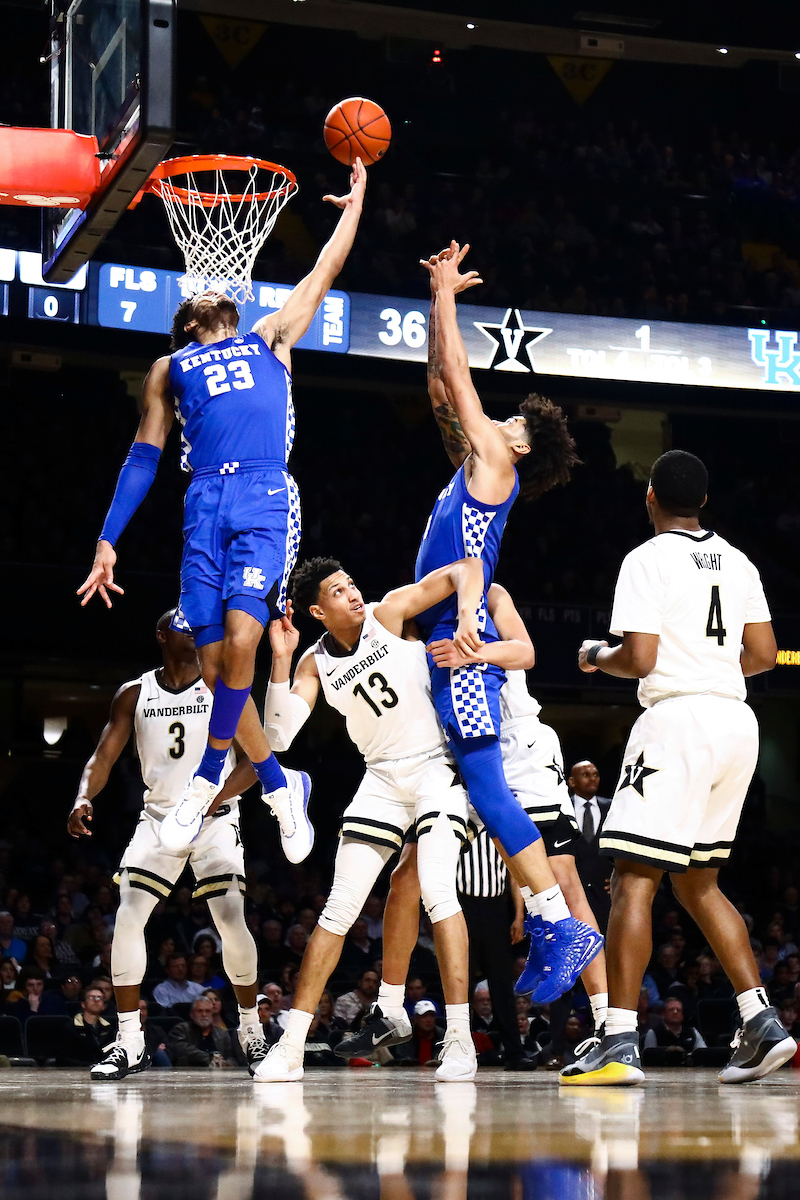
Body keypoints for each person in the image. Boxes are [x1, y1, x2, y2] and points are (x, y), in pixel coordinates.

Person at [78, 160, 369, 864]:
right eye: (198, 297)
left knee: (243, 634)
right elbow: (143, 456)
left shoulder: (269, 336)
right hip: (202, 498)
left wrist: (356, 205)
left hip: (264, 492)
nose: (210, 287)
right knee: (214, 669)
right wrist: (107, 540)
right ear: (188, 323)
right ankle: (279, 781)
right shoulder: (170, 368)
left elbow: (325, 270)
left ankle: (209, 777)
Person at [561, 449, 794, 1086]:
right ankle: (761, 1021)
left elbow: (638, 658)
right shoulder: (741, 561)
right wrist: (712, 671)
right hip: (736, 723)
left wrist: (592, 656)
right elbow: (767, 654)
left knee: (634, 881)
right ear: (705, 504)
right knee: (699, 883)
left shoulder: (647, 558)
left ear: (650, 499)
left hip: (679, 724)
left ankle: (618, 1039)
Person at [414, 243, 598, 998]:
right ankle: (555, 919)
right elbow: (437, 382)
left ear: (519, 440)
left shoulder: (497, 460)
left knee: (490, 791)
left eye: (510, 416)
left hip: (461, 642)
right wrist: (435, 300)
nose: (499, 415)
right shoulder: (477, 460)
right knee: (479, 790)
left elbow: (459, 380)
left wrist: (452, 295)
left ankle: (557, 919)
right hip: (443, 635)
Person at [251, 554, 487, 1083]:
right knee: (338, 910)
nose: (353, 593)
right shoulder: (314, 661)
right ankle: (290, 1046)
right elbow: (280, 737)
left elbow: (464, 569)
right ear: (317, 610)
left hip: (434, 768)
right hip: (380, 778)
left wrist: (467, 612)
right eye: (338, 591)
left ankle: (458, 1040)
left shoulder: (388, 613)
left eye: (352, 581)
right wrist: (282, 661)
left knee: (437, 892)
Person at [67, 609, 265, 1081]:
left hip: (214, 816)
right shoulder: (135, 694)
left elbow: (257, 760)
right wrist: (82, 796)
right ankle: (129, 1041)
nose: (193, 628)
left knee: (231, 917)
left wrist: (208, 800)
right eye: (182, 623)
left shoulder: (223, 686)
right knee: (128, 916)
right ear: (160, 636)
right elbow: (103, 755)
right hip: (158, 818)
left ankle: (252, 1030)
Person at [568, 761, 614, 930]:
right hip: (572, 895)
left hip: (605, 896)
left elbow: (622, 848)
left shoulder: (612, 808)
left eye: (596, 775)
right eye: (586, 775)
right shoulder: (563, 809)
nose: (593, 779)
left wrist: (618, 876)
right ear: (572, 781)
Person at [167, 995, 238, 1068]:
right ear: (192, 1014)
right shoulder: (181, 1029)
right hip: (189, 1072)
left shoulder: (222, 1033)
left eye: (208, 1011)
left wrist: (226, 1064)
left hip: (217, 1074)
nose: (204, 1015)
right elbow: (181, 1049)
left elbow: (231, 1057)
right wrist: (209, 1058)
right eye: (200, 1011)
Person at [61, 987, 116, 1066]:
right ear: (83, 1004)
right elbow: (64, 1058)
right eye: (91, 997)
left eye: (99, 998)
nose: (96, 1000)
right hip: (76, 1071)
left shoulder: (109, 1028)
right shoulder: (70, 1027)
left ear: (103, 1006)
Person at [642, 997, 706, 1064]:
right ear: (663, 1014)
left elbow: (703, 1053)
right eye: (671, 1010)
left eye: (678, 1010)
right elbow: (648, 1058)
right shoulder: (653, 1033)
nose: (675, 1012)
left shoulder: (692, 1032)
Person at [391, 1000, 446, 1066]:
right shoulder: (406, 1036)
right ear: (415, 1018)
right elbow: (402, 1059)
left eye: (431, 1016)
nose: (429, 1020)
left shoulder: (443, 1036)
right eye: (424, 1016)